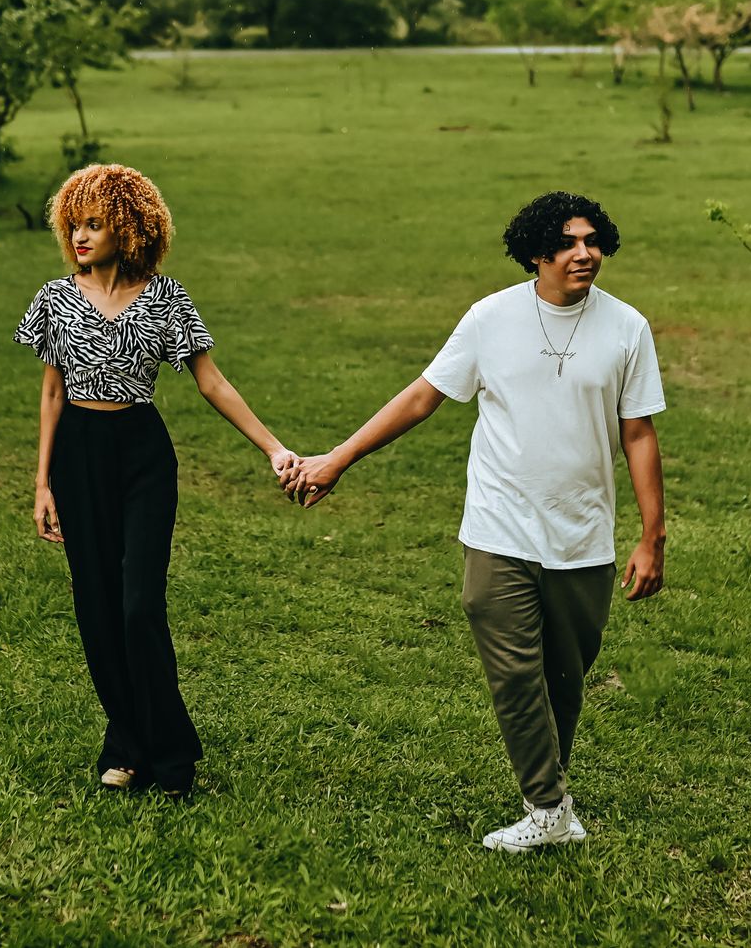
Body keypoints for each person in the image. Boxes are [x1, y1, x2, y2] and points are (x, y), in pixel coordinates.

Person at [282, 191, 666, 851]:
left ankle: (551, 796)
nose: (586, 253)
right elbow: (423, 396)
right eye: (571, 242)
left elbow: (637, 433)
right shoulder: (490, 318)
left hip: (583, 536)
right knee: (516, 673)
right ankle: (547, 808)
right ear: (537, 252)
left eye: (594, 240)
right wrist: (338, 458)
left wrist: (652, 534)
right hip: (499, 529)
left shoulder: (627, 327)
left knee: (563, 684)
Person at [17, 163, 297, 798]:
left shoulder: (166, 297)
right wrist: (42, 483)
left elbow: (211, 381)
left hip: (142, 453)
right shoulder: (54, 298)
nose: (80, 236)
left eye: (95, 223)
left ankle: (173, 754)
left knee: (139, 604)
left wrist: (273, 447)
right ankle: (126, 743)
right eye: (74, 224)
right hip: (78, 456)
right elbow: (52, 392)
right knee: (96, 607)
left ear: (129, 227)